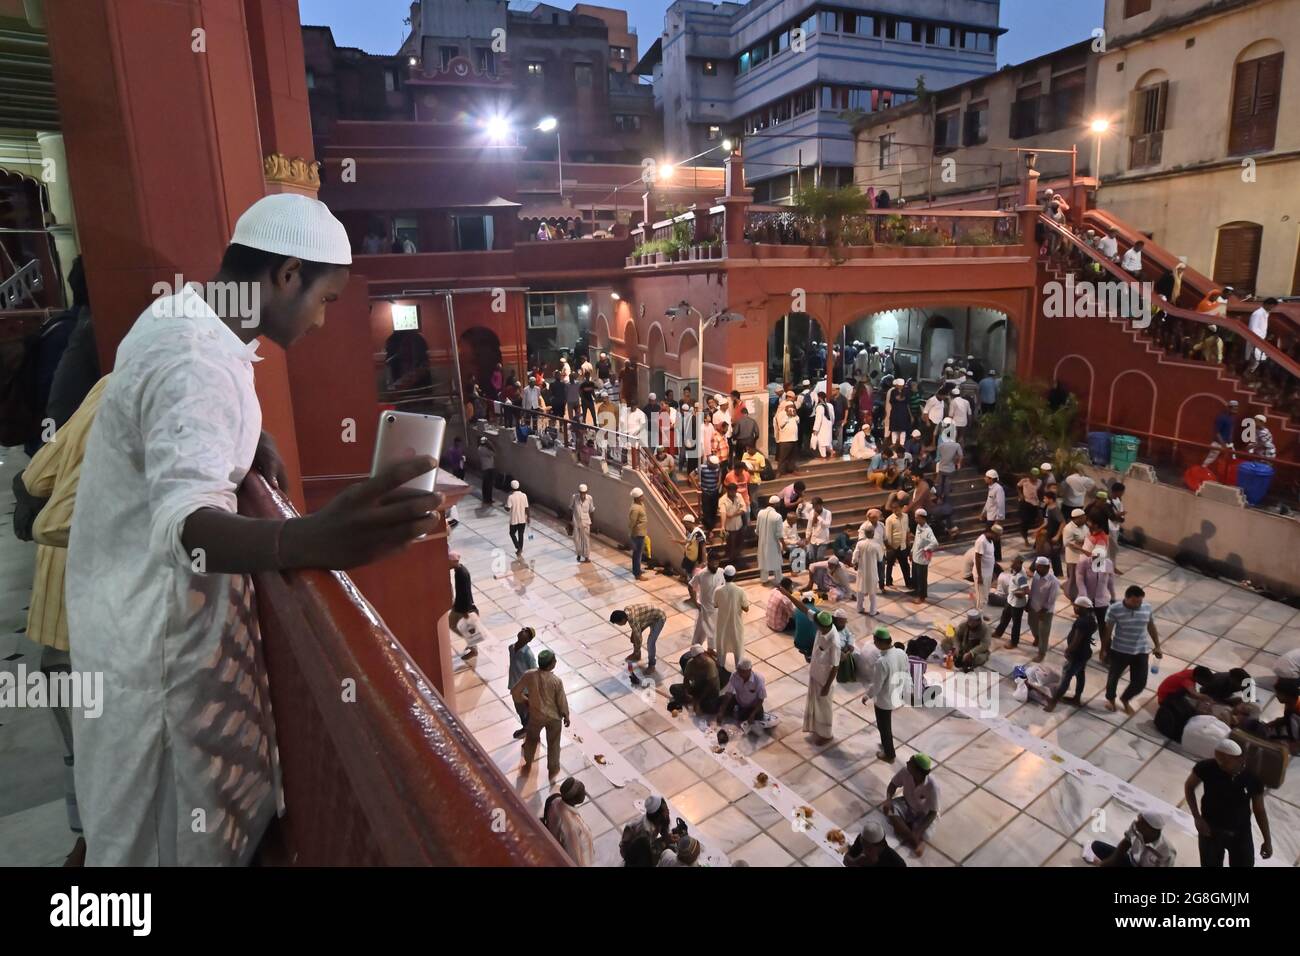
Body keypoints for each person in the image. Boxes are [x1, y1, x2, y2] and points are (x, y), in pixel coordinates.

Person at [61, 195, 452, 868]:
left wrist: (249, 440)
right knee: (152, 851)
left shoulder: (188, 320)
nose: (326, 321)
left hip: (138, 634)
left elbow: (184, 425)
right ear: (287, 274)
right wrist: (310, 541)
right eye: (326, 299)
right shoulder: (196, 357)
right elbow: (189, 525)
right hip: (155, 659)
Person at [1185, 739, 1271, 868]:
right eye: (1219, 761)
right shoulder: (1207, 767)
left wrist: (1267, 840)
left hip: (1240, 834)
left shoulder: (1252, 778)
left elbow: (1259, 810)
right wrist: (1197, 817)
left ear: (1239, 759)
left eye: (1225, 762)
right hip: (1210, 830)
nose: (1221, 765)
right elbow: (1189, 786)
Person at [1102, 585, 1163, 715]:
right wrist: (1104, 649)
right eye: (1135, 601)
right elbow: (1108, 631)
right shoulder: (1115, 609)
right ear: (1126, 598)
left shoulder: (1146, 607)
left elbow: (1151, 626)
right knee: (1113, 678)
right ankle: (1111, 700)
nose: (1138, 604)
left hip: (1141, 651)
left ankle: (1125, 699)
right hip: (1120, 651)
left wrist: (1157, 645)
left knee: (1140, 681)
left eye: (1140, 601)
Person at [512, 649, 570, 779]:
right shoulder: (556, 681)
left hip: (536, 715)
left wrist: (525, 700)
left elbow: (516, 692)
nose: (555, 662)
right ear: (551, 665)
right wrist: (565, 715)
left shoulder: (529, 675)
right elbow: (561, 701)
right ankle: (553, 767)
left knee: (531, 739)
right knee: (554, 742)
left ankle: (528, 760)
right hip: (554, 717)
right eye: (554, 660)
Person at [1044, 597, 1098, 711]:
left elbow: (1077, 639)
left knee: (1066, 677)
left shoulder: (1081, 622)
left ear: (1083, 608)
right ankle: (1077, 698)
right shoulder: (1091, 620)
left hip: (1077, 655)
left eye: (1077, 607)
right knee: (1080, 674)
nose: (1074, 608)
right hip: (1085, 653)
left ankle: (1053, 702)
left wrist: (1069, 650)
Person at [867, 628, 910, 762]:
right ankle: (886, 745)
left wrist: (867, 695)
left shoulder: (882, 661)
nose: (874, 644)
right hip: (896, 694)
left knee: (884, 727)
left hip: (884, 700)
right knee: (886, 725)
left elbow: (877, 684)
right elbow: (906, 671)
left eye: (875, 642)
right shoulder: (901, 652)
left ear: (881, 643)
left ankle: (889, 753)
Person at [884, 754, 939, 856]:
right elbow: (892, 785)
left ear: (918, 771)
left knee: (922, 831)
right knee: (888, 809)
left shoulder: (933, 786)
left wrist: (918, 831)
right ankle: (916, 842)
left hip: (923, 814)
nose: (907, 763)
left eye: (910, 763)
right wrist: (888, 800)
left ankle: (906, 831)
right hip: (906, 804)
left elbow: (933, 813)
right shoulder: (905, 771)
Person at [803, 611, 841, 743]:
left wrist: (827, 686)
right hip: (815, 673)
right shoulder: (823, 622)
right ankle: (816, 729)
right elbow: (804, 609)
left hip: (824, 680)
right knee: (815, 706)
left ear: (823, 626)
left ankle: (826, 735)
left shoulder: (834, 642)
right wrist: (786, 594)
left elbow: (835, 666)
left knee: (824, 709)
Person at [1090, 810, 1176, 868]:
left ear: (1151, 830)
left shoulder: (1167, 852)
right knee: (1097, 846)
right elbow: (1126, 843)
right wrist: (1112, 860)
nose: (1137, 823)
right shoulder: (1136, 828)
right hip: (1130, 861)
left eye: (1141, 822)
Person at [543, 777, 595, 867]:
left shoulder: (554, 801)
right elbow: (575, 858)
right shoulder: (573, 827)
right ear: (574, 798)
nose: (584, 793)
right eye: (582, 792)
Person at [611, 603, 668, 673]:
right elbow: (637, 628)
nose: (619, 625)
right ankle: (637, 655)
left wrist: (636, 645)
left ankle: (652, 665)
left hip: (658, 618)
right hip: (648, 617)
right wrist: (634, 638)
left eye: (618, 623)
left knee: (650, 643)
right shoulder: (626, 610)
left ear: (623, 619)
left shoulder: (632, 620)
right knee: (633, 637)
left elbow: (638, 639)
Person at [619, 795, 674, 867]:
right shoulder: (644, 831)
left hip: (646, 847)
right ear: (658, 816)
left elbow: (664, 830)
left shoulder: (659, 820)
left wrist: (668, 837)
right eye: (665, 810)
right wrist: (664, 843)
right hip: (632, 853)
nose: (668, 810)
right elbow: (646, 853)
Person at [714, 565, 750, 671]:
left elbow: (715, 605)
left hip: (722, 623)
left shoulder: (718, 590)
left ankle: (720, 667)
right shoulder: (740, 591)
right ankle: (739, 668)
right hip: (735, 623)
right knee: (737, 645)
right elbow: (746, 608)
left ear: (724, 576)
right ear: (734, 576)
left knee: (721, 644)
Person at [1026, 556, 1060, 662]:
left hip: (1045, 611)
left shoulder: (1053, 581)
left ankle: (1041, 653)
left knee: (1044, 631)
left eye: (1039, 567)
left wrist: (1043, 611)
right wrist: (1028, 602)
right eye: (1036, 567)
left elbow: (1051, 599)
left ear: (1047, 567)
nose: (1037, 569)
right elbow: (1033, 590)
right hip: (1034, 606)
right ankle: (1037, 637)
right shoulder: (1036, 575)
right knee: (1031, 623)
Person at [507, 626, 538, 739]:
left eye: (527, 633)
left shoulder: (528, 654)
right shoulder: (511, 648)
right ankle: (526, 727)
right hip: (514, 685)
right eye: (524, 630)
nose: (524, 633)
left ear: (529, 640)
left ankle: (530, 730)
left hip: (524, 689)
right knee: (519, 709)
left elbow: (534, 671)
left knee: (526, 710)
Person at [690, 551, 725, 649]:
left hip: (716, 609)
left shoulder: (721, 572)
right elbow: (691, 586)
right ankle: (695, 650)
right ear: (708, 561)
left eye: (717, 564)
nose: (715, 566)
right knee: (699, 633)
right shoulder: (701, 574)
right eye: (713, 563)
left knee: (714, 631)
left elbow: (724, 586)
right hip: (704, 609)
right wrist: (695, 602)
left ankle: (711, 649)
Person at [993, 556, 1030, 648]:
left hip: (1017, 604)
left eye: (1013, 562)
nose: (1011, 564)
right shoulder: (1015, 570)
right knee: (1004, 618)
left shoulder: (1021, 576)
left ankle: (1014, 642)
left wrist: (1020, 593)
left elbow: (1026, 590)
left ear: (1019, 564)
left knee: (1016, 624)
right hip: (1010, 600)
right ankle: (998, 632)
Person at [719, 659, 769, 726]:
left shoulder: (758, 679)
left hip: (752, 705)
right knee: (720, 702)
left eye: (743, 672)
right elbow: (728, 694)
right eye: (739, 671)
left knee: (750, 717)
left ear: (749, 670)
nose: (739, 674)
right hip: (738, 699)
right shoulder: (735, 675)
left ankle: (741, 712)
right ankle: (736, 710)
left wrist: (752, 714)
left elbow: (761, 699)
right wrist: (722, 711)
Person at [853, 526, 885, 616]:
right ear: (873, 533)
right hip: (872, 571)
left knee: (860, 590)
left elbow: (855, 557)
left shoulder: (860, 544)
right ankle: (873, 611)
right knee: (872, 592)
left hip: (861, 570)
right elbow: (880, 559)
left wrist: (854, 562)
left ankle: (859, 608)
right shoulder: (876, 545)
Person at [909, 509, 938, 604]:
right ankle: (916, 591)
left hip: (922, 559)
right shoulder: (918, 526)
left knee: (922, 579)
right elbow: (916, 541)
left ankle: (922, 597)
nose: (915, 519)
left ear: (922, 518)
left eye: (916, 517)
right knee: (916, 577)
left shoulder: (928, 530)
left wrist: (926, 548)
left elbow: (935, 543)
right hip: (915, 557)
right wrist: (912, 551)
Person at [882, 502, 912, 592]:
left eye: (897, 508)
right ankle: (888, 581)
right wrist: (889, 548)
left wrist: (908, 543)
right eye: (893, 508)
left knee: (905, 565)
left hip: (902, 545)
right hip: (892, 546)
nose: (895, 510)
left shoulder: (906, 517)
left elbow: (907, 530)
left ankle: (908, 582)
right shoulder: (889, 519)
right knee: (890, 564)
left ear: (901, 507)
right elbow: (888, 535)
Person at [1061, 508, 1089, 601]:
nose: (1085, 519)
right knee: (1073, 577)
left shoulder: (1084, 526)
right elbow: (1067, 543)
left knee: (1081, 577)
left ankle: (1077, 592)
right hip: (1073, 557)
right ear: (1076, 518)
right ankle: (1072, 596)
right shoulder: (1068, 529)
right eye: (1083, 518)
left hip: (1083, 555)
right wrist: (1082, 548)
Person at [970, 524, 999, 610]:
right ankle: (979, 618)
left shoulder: (991, 541)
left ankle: (981, 615)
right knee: (981, 599)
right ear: (992, 533)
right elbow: (977, 559)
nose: (998, 538)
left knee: (985, 597)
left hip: (988, 573)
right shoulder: (981, 541)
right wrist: (979, 576)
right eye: (997, 536)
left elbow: (990, 557)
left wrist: (993, 572)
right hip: (981, 574)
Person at [719, 481, 747, 567]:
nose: (733, 493)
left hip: (739, 524)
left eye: (734, 491)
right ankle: (731, 560)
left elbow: (743, 509)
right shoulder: (722, 500)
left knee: (739, 542)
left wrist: (733, 514)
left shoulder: (739, 496)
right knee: (731, 543)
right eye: (731, 491)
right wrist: (722, 526)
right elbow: (723, 513)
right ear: (728, 491)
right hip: (729, 527)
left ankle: (735, 557)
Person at [1246, 298, 1277, 374]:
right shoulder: (1258, 313)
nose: (1272, 308)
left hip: (1260, 341)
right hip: (1255, 341)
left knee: (1259, 361)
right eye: (1271, 306)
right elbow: (1253, 328)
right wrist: (1258, 340)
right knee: (1254, 361)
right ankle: (1246, 375)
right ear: (1266, 304)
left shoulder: (1265, 314)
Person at [1203, 400, 1238, 467]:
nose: (1235, 410)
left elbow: (1230, 432)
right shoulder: (1221, 417)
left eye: (1236, 408)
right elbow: (1217, 432)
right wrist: (1223, 445)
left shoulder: (1231, 418)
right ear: (1229, 408)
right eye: (1234, 408)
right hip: (1218, 443)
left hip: (1227, 443)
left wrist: (1230, 443)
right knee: (1210, 460)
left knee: (1232, 459)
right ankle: (1201, 472)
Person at [934, 423, 962, 499]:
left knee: (941, 483)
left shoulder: (940, 445)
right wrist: (958, 463)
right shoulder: (956, 445)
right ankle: (946, 497)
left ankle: (940, 497)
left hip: (942, 467)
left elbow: (938, 457)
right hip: (951, 467)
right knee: (948, 482)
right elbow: (960, 455)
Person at [569, 483, 595, 563]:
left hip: (586, 522)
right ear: (579, 492)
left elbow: (592, 510)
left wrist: (592, 521)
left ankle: (586, 557)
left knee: (586, 540)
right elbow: (570, 508)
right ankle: (579, 554)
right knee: (577, 539)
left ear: (586, 492)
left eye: (584, 493)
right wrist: (570, 521)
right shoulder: (574, 497)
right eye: (581, 493)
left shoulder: (589, 498)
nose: (582, 494)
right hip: (576, 522)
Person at [505, 479, 530, 557]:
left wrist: (504, 507)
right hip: (522, 519)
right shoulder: (524, 495)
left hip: (514, 519)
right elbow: (527, 507)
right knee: (521, 534)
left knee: (512, 533)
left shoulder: (511, 497)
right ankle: (520, 548)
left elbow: (508, 509)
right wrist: (528, 517)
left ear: (511, 487)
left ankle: (518, 547)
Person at [628, 487, 648, 579]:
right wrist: (631, 535)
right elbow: (632, 523)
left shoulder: (641, 505)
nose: (643, 497)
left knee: (639, 554)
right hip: (637, 534)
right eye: (641, 496)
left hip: (642, 533)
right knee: (637, 554)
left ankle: (638, 569)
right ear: (637, 498)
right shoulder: (635, 508)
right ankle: (637, 574)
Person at [805, 496, 832, 563]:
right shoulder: (812, 512)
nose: (815, 508)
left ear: (821, 505)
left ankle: (822, 572)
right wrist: (807, 536)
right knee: (812, 558)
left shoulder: (828, 513)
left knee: (819, 557)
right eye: (814, 506)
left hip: (823, 539)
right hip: (813, 538)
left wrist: (818, 517)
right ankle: (815, 573)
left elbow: (827, 525)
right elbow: (809, 525)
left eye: (816, 506)